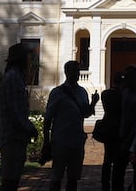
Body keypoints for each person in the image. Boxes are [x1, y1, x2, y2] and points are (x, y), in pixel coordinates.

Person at [43, 60, 100, 191]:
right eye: (74, 70)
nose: (77, 74)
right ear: (66, 72)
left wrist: (93, 103)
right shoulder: (57, 92)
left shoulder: (82, 92)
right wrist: (46, 142)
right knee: (56, 177)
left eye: (78, 70)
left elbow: (85, 114)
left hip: (77, 141)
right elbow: (48, 119)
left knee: (73, 178)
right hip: (61, 141)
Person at [0, 43, 38, 191]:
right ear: (20, 59)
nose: (30, 60)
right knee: (10, 181)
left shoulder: (17, 77)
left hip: (16, 137)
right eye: (28, 57)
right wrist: (30, 128)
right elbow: (15, 112)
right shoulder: (13, 78)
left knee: (13, 179)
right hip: (11, 137)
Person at [112, 64, 136, 191]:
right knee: (118, 173)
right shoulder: (123, 93)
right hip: (123, 138)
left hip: (135, 139)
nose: (125, 79)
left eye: (128, 77)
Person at [100, 71, 124, 191]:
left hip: (108, 129)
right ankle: (116, 184)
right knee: (118, 160)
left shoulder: (105, 94)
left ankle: (105, 183)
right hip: (118, 129)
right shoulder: (122, 95)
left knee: (107, 159)